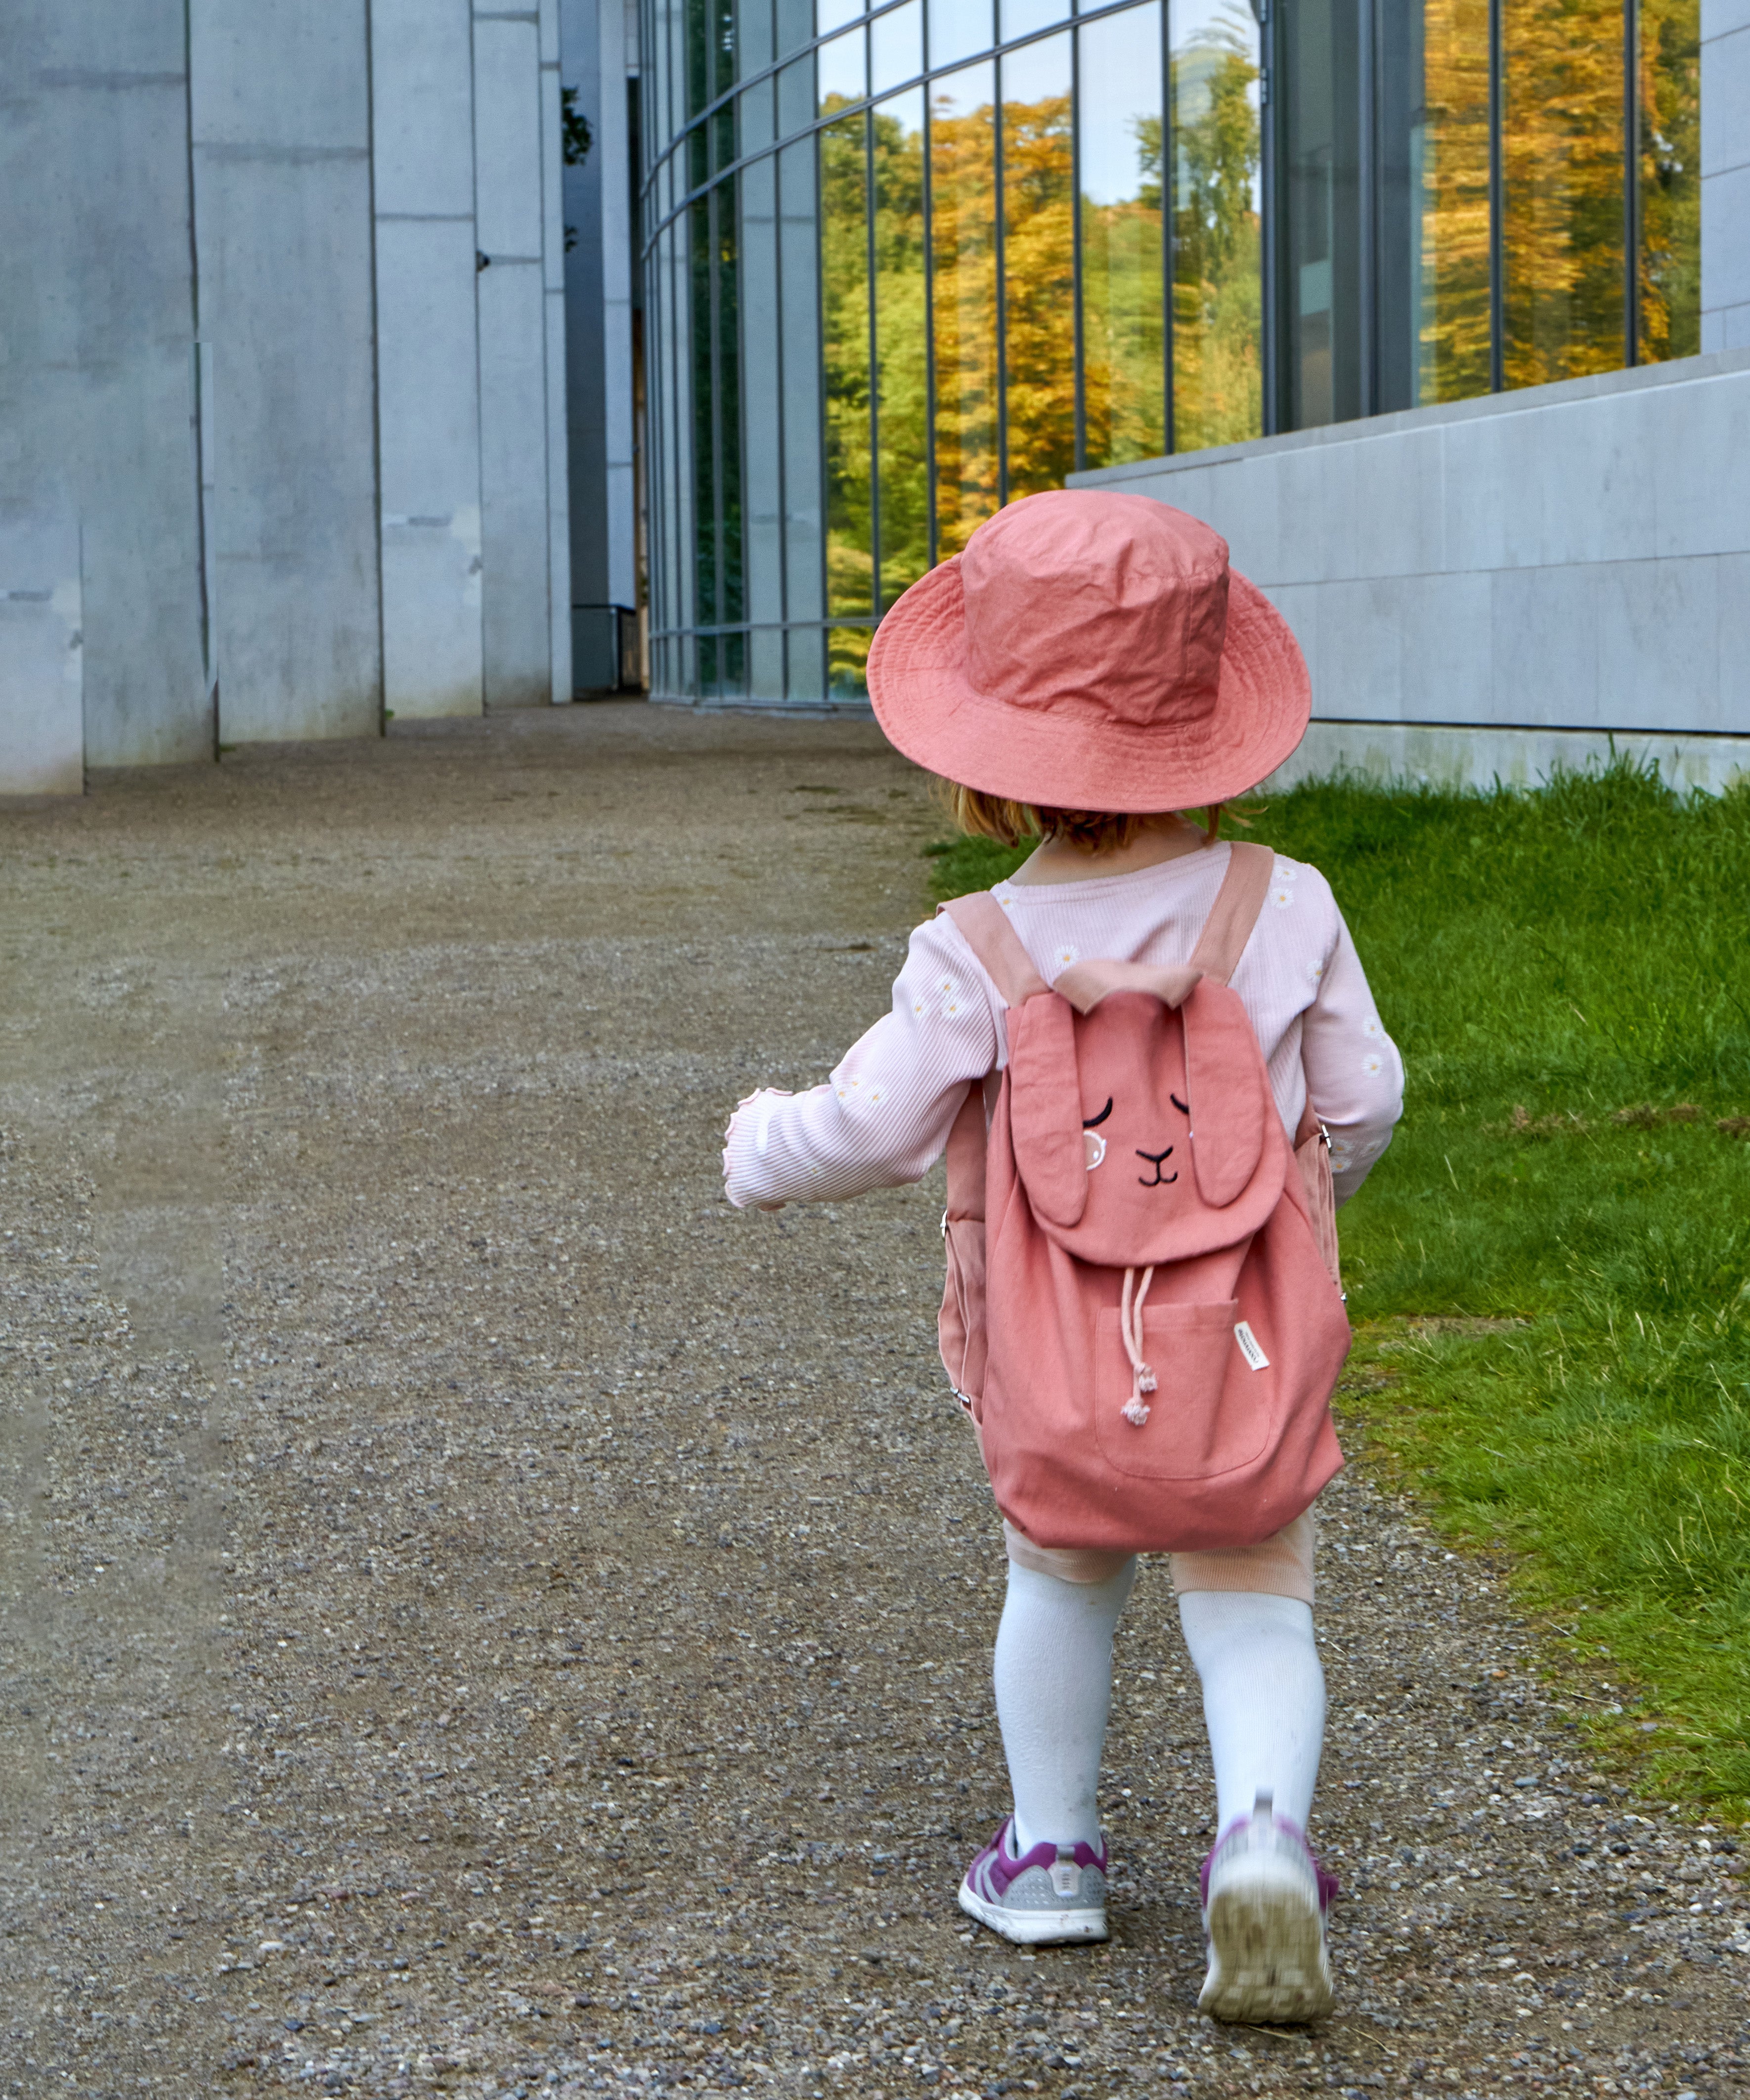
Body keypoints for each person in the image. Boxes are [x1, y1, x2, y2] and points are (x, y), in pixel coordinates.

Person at [721, 489, 1403, 2022]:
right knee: (1254, 1598)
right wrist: (1300, 1191)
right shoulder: (1283, 906)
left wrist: (757, 1147)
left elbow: (874, 1126)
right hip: (1239, 1342)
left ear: (985, 753)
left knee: (1057, 1577)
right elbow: (1364, 1098)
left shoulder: (973, 949)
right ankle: (1263, 1840)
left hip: (1051, 1353)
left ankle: (1050, 1856)